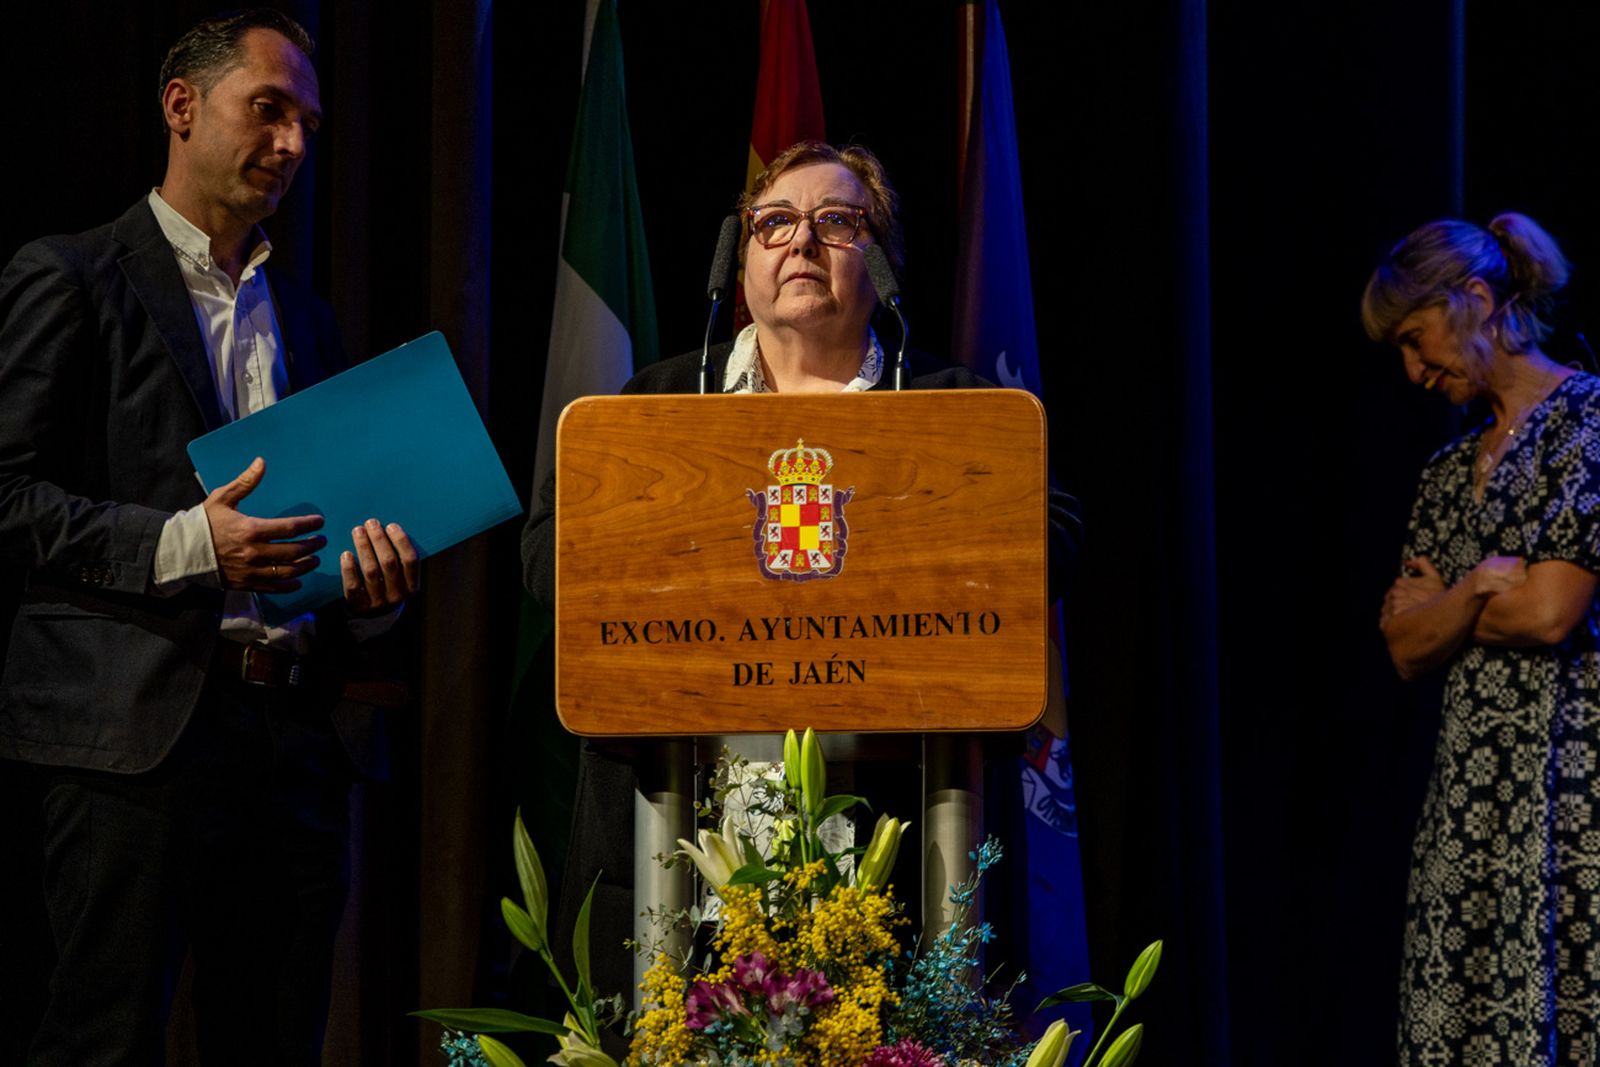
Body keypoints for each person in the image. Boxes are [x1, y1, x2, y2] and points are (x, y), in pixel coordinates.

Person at [521, 140, 1081, 1007]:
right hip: (675, 846)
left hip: (902, 850)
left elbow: (1053, 534)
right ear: (737, 258)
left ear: (881, 261)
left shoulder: (954, 410)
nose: (801, 242)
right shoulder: (645, 413)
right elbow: (551, 563)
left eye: (837, 222)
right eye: (774, 222)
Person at [0, 11, 419, 1065]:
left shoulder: (308, 319)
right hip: (132, 738)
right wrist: (193, 543)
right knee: (103, 1041)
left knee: (273, 1041)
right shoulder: (74, 275)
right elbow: (9, 498)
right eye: (267, 110)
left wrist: (371, 591)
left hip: (287, 738)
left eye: (308, 125)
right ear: (182, 107)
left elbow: (318, 532)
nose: (291, 144)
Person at [1366, 213, 1600, 1066]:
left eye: (1418, 339)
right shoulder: (1443, 471)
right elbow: (1401, 645)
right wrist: (1476, 587)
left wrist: (1447, 611)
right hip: (1466, 799)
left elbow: (1549, 611)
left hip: (1564, 790)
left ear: (1476, 300)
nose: (1412, 368)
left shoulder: (1587, 425)